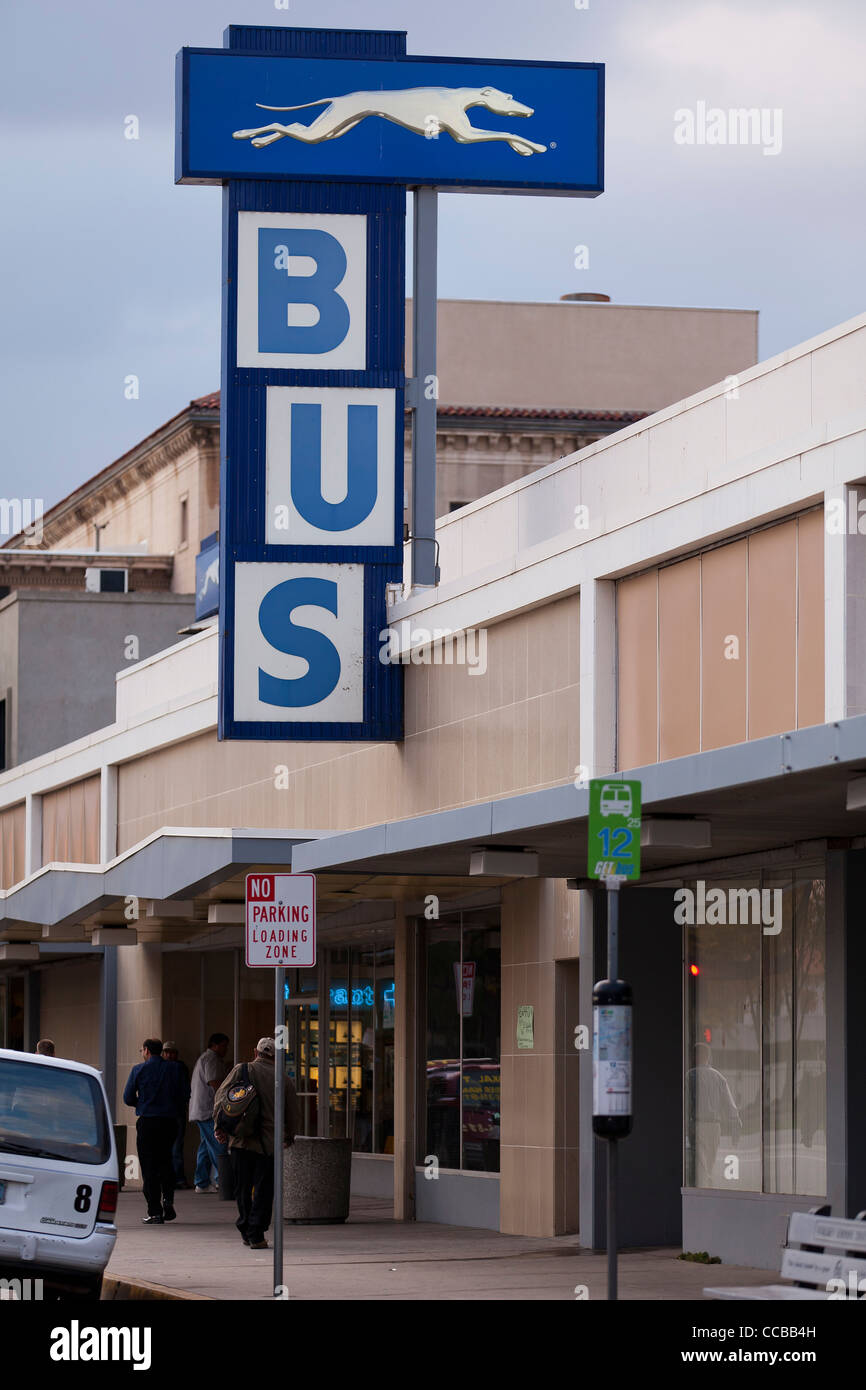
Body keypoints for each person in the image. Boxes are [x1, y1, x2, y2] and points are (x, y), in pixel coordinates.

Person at [213, 1037, 298, 1250]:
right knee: (264, 1189)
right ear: (276, 1055)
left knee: (243, 1188)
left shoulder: (241, 1070)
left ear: (255, 1052)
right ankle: (256, 1232)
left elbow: (222, 1099)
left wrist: (219, 1127)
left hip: (241, 1141)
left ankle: (245, 1227)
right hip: (269, 1145)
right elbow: (292, 1114)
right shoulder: (285, 1080)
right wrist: (289, 1136)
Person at [123, 1037, 187, 1225]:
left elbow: (127, 1097)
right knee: (166, 1161)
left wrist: (142, 1103)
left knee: (149, 1166)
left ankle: (154, 1210)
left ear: (146, 1051)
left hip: (148, 1122)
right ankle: (168, 1199)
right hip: (169, 1121)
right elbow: (185, 1094)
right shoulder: (175, 1069)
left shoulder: (138, 1069)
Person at [685, 1043, 742, 1187]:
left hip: (698, 1124)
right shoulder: (719, 1077)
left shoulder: (690, 1075)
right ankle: (708, 1187)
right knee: (709, 1163)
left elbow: (686, 1102)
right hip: (715, 1126)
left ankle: (704, 1191)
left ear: (696, 1056)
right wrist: (736, 1123)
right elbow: (729, 1104)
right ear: (707, 1056)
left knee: (700, 1165)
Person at [189, 1032, 230, 1192]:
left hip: (201, 1109)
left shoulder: (205, 1058)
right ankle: (223, 1180)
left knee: (206, 1146)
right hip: (208, 1110)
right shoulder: (212, 1059)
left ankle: (201, 1182)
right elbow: (215, 1083)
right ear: (215, 1045)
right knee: (218, 1144)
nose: (226, 1049)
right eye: (224, 1046)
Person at [163, 1042, 191, 1189]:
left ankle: (174, 1179)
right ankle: (177, 1179)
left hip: (170, 1112)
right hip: (176, 1111)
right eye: (166, 1052)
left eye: (172, 1052)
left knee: (173, 1147)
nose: (169, 1055)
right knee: (175, 1146)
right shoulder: (180, 1068)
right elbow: (186, 1091)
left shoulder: (174, 1068)